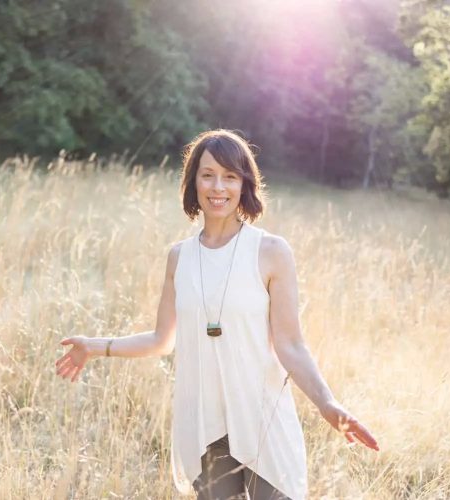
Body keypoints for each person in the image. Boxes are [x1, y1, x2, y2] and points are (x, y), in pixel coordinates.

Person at [55, 129, 379, 500]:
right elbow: (162, 340)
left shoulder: (271, 251)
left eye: (229, 176)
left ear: (245, 184)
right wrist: (94, 346)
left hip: (262, 418)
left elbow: (290, 344)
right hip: (204, 421)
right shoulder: (180, 257)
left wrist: (327, 403)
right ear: (193, 181)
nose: (218, 187)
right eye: (207, 174)